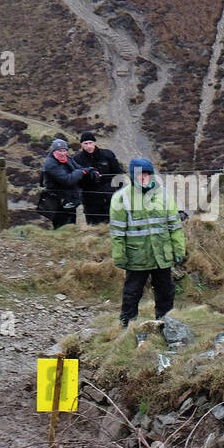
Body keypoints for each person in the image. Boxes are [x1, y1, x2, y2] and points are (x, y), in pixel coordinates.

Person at [110, 158, 185, 327]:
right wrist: (120, 256)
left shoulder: (163, 195)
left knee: (165, 291)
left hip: (161, 255)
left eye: (147, 174)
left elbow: (175, 226)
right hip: (137, 257)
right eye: (139, 175)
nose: (143, 178)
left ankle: (166, 323)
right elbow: (117, 233)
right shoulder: (121, 199)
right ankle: (127, 325)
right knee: (132, 292)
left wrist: (178, 250)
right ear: (132, 177)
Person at [40, 138, 95, 229]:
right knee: (61, 227)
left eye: (64, 150)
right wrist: (83, 171)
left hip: (70, 199)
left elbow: (78, 168)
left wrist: (91, 170)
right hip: (58, 201)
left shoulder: (67, 159)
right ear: (53, 151)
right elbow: (68, 179)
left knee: (71, 226)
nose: (62, 153)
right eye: (59, 151)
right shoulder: (50, 164)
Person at [74, 132, 124, 225]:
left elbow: (118, 173)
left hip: (109, 196)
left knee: (114, 225)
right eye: (86, 143)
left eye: (90, 143)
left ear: (95, 143)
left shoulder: (107, 155)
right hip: (90, 199)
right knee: (93, 228)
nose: (89, 146)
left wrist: (118, 191)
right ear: (81, 144)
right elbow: (76, 181)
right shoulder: (77, 160)